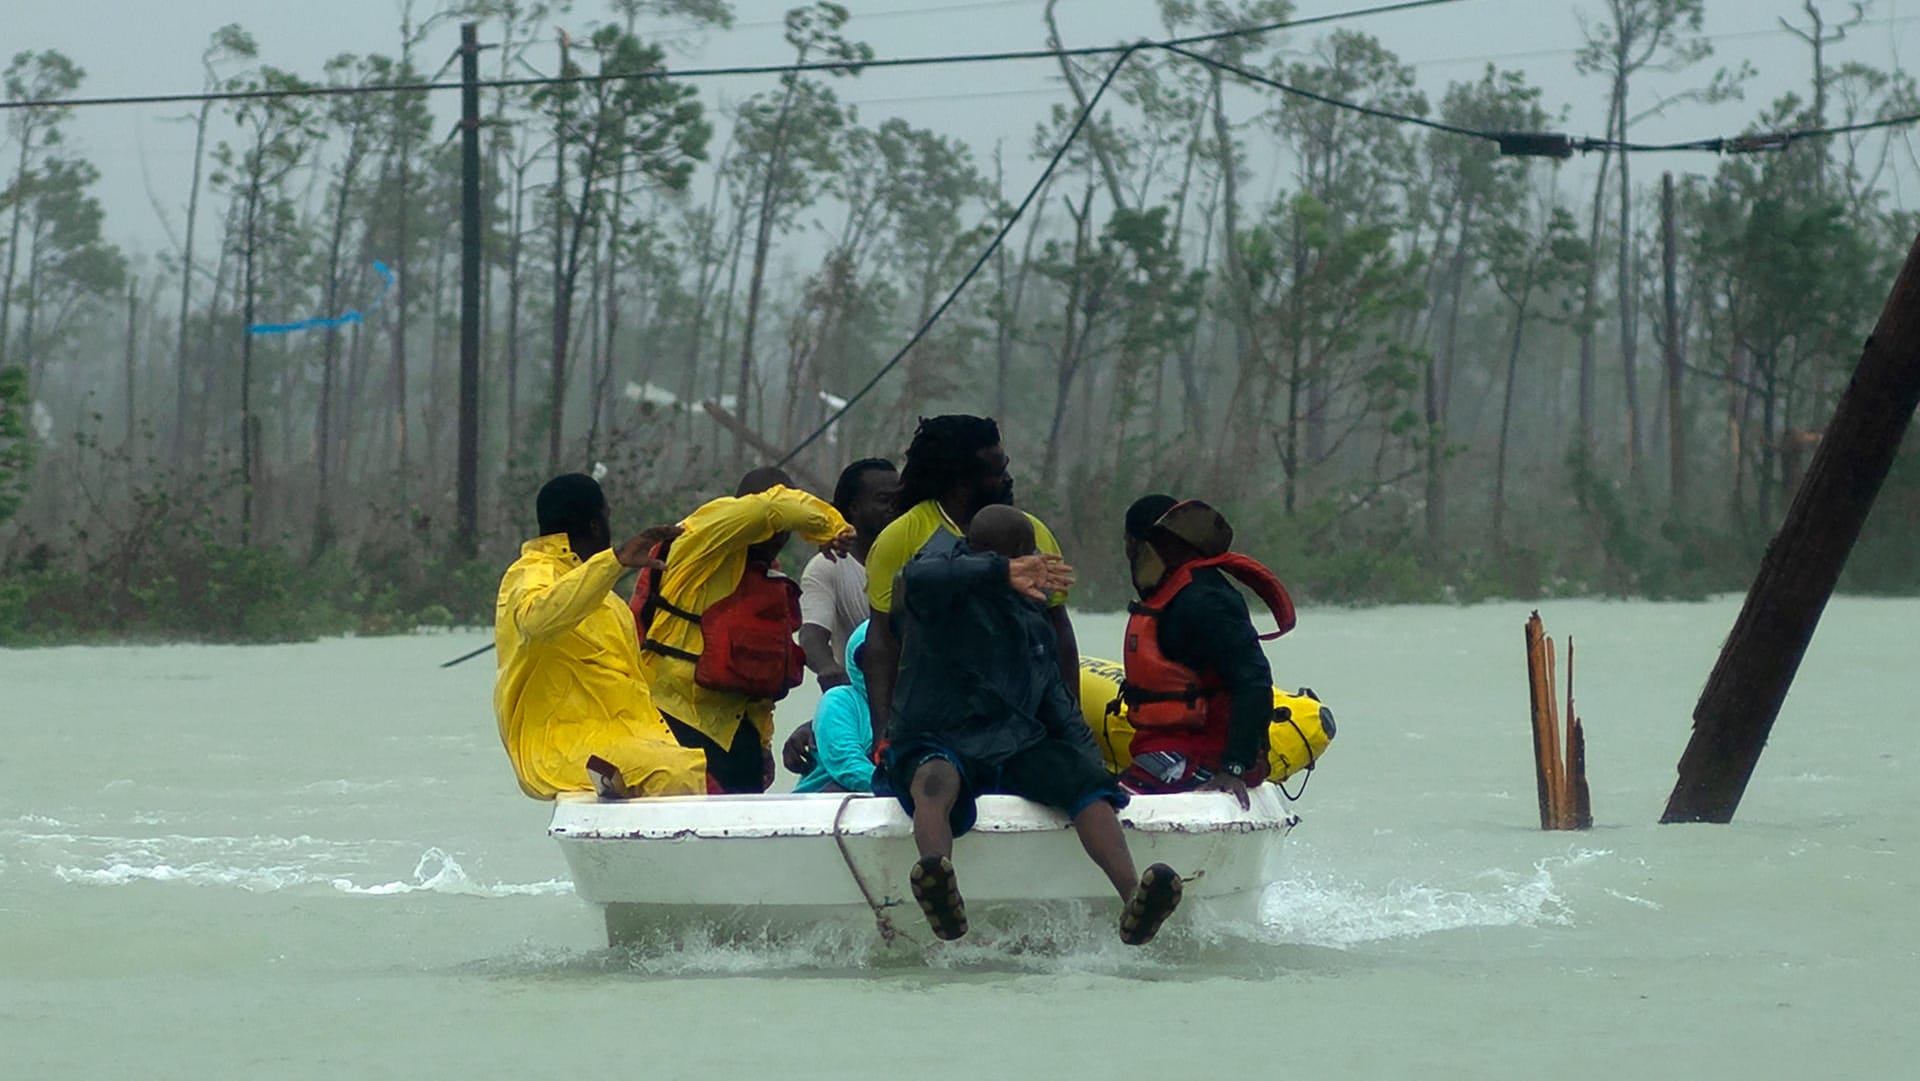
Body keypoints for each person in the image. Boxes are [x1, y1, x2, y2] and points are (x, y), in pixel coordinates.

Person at [881, 505, 1183, 946]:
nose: (1038, 570)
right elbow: (919, 577)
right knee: (933, 779)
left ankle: (1133, 895)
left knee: (1081, 781)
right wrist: (999, 572)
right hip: (935, 737)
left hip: (1010, 744)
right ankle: (935, 875)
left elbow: (1058, 705)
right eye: (1030, 560)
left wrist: (1095, 769)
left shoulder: (1032, 620)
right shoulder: (934, 587)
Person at [861, 415, 1079, 749]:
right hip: (934, 724)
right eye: (997, 472)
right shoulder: (901, 538)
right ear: (962, 484)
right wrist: (883, 733)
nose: (1008, 479)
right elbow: (882, 644)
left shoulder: (1031, 534)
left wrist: (1071, 728)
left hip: (1021, 725)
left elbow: (1059, 634)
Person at [635, 466, 853, 794]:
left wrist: (763, 743)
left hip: (737, 735)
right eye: (776, 528)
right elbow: (771, 507)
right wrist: (831, 528)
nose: (778, 538)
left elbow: (755, 677)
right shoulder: (701, 537)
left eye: (785, 531)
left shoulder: (765, 578)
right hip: (675, 722)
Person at [492, 473, 707, 800]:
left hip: (622, 739)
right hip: (558, 744)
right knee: (674, 770)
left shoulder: (606, 597)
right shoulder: (531, 572)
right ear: (596, 525)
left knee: (691, 764)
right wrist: (615, 561)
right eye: (607, 517)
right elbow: (537, 619)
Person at [1117, 495, 1297, 809]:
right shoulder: (1174, 595)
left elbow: (1253, 681)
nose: (1129, 552)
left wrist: (1234, 768)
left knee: (1100, 804)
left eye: (1130, 543)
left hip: (1205, 756)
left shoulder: (1206, 600)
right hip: (1167, 747)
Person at [783, 457, 899, 777]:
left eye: (899, 499)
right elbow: (811, 635)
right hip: (859, 702)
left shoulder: (916, 560)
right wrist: (828, 670)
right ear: (852, 509)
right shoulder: (827, 567)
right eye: (882, 500)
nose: (895, 508)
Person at [792, 620, 877, 794]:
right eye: (871, 660)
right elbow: (848, 766)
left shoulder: (911, 707)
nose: (882, 667)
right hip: (819, 811)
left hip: (883, 807)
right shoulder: (839, 701)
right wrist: (899, 787)